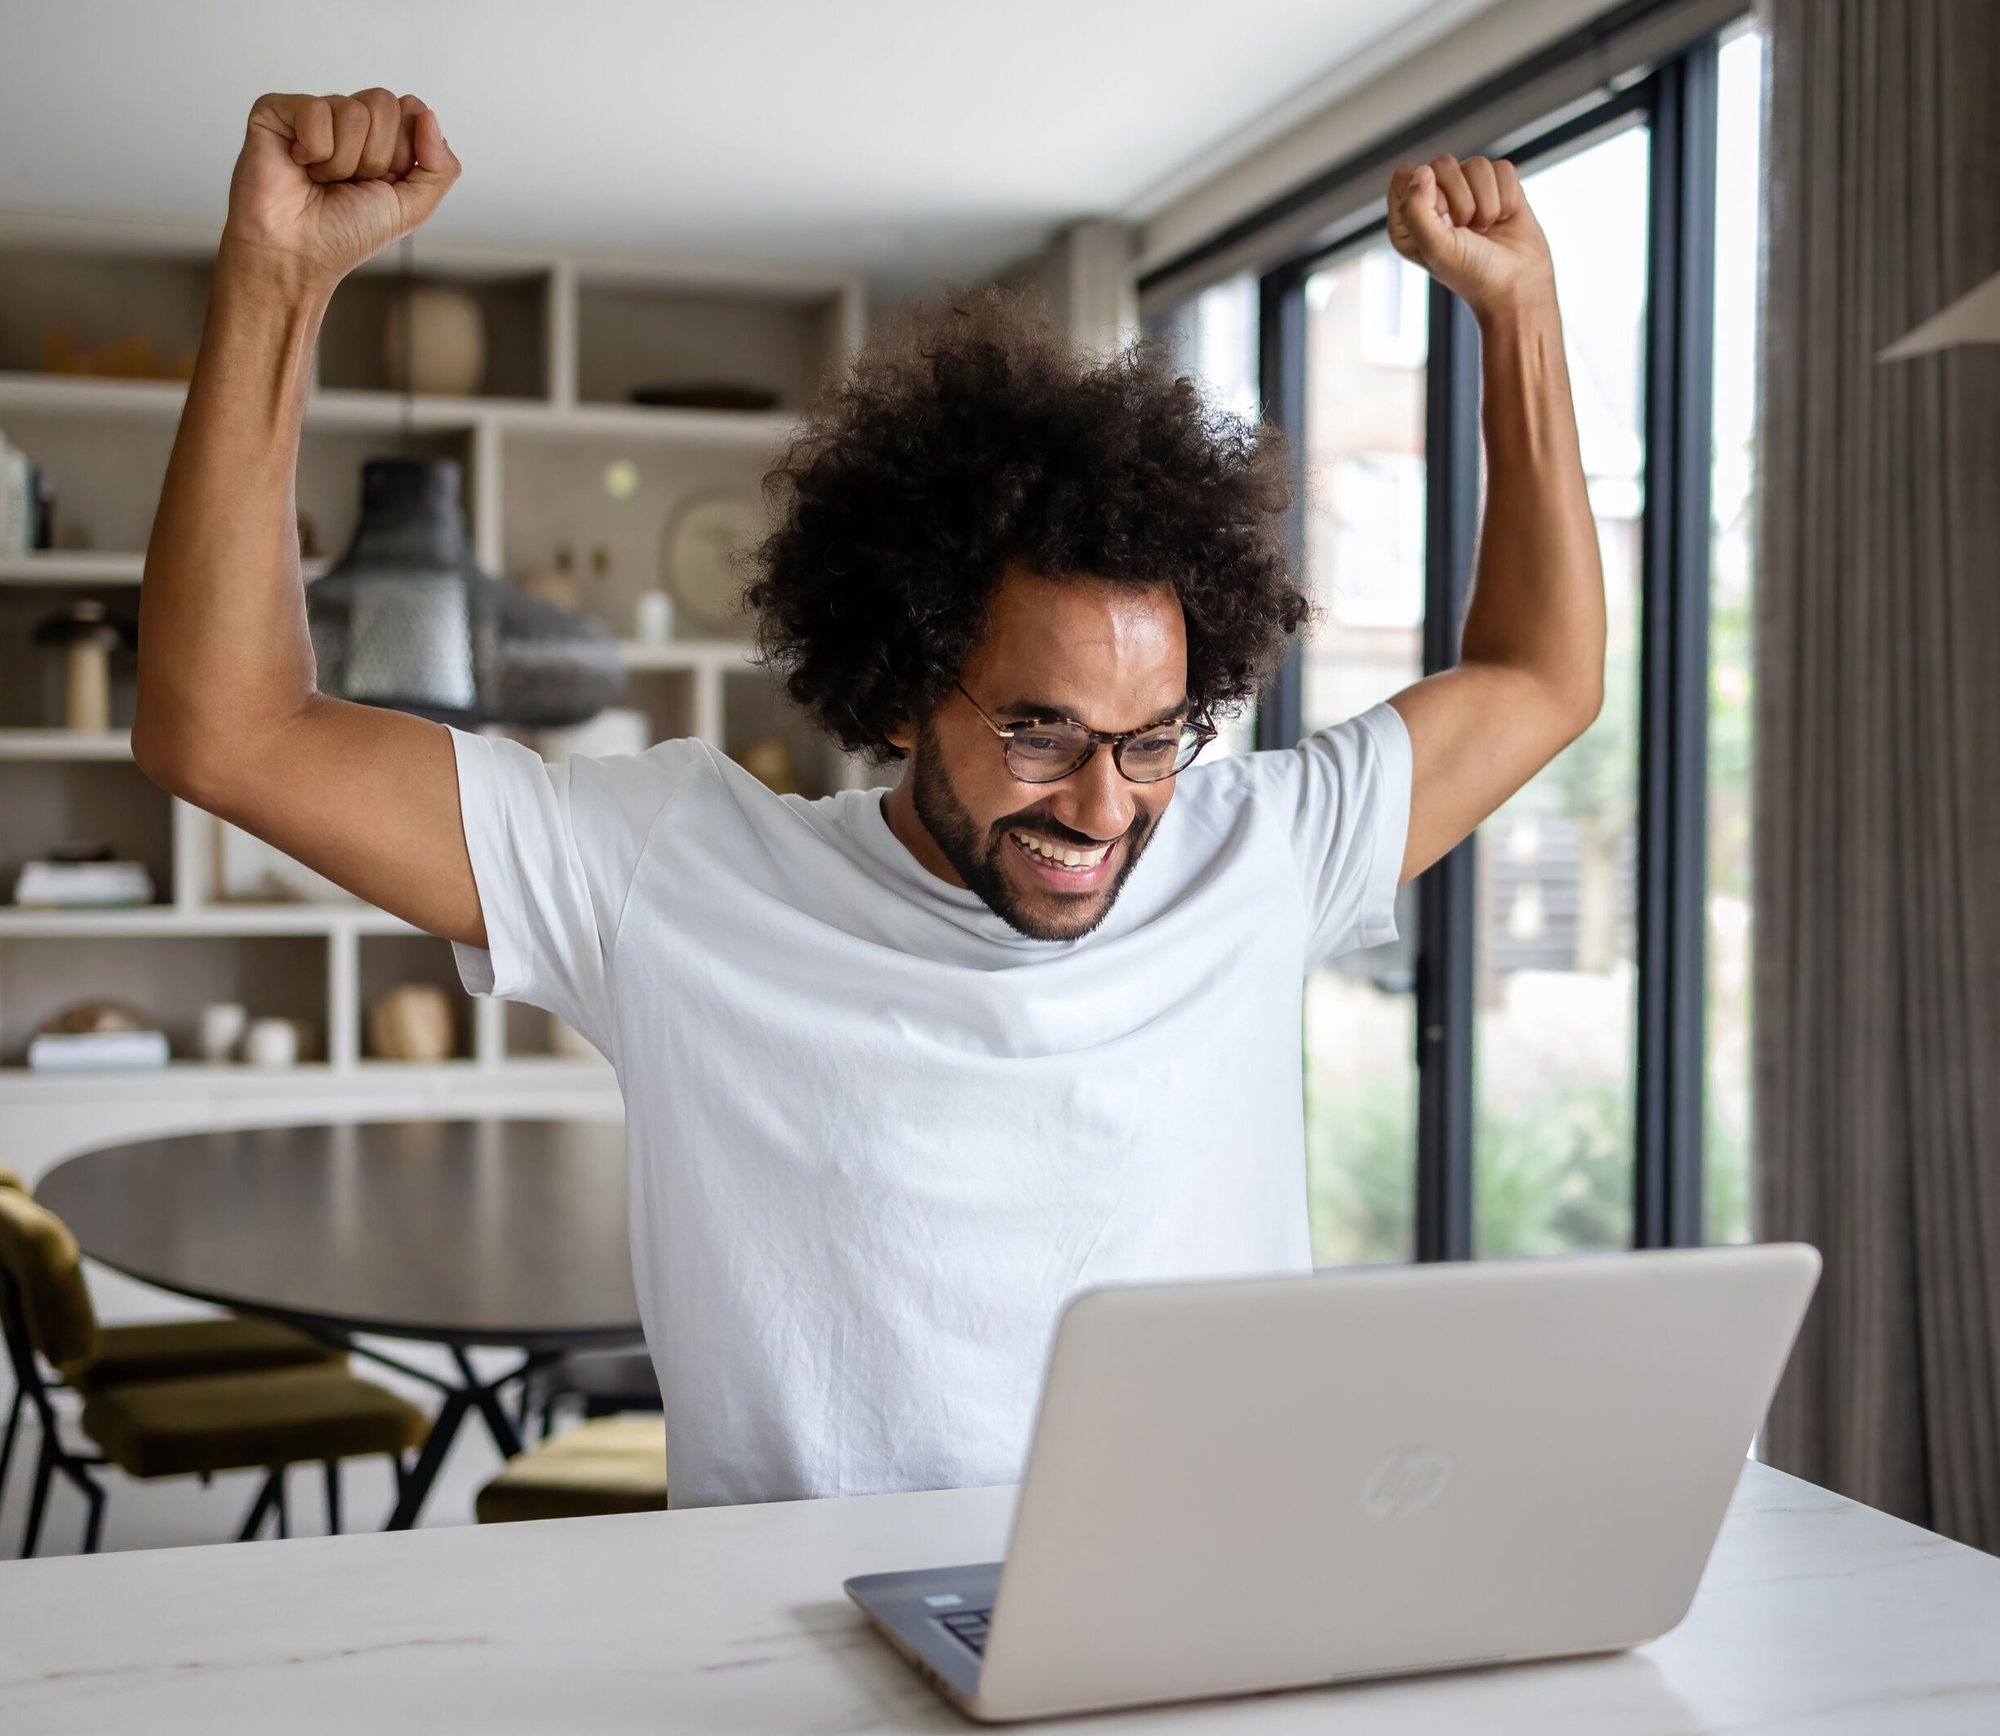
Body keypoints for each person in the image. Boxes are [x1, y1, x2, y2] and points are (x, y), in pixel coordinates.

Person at [136, 90, 1605, 1508]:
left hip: (1201, 1622)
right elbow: (228, 731)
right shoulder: (669, 876)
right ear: (901, 692)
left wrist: (1522, 313)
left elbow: (1542, 676)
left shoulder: (1258, 856)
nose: (1106, 809)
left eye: (1155, 739)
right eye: (1041, 734)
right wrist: (277, 279)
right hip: (808, 1641)